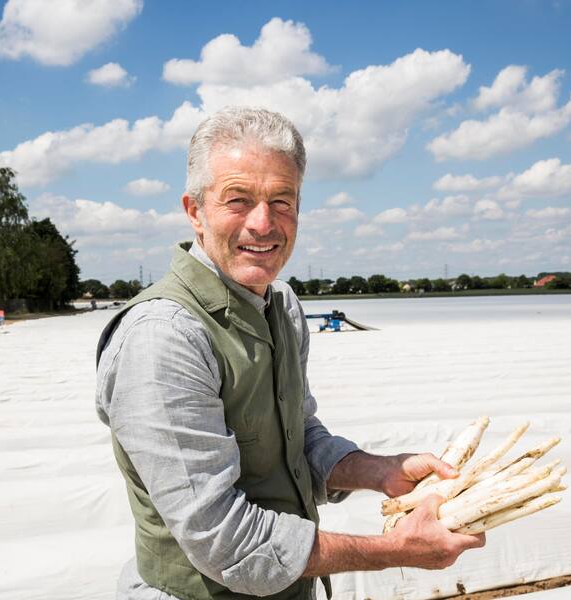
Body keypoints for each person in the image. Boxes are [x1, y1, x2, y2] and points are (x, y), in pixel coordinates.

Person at [96, 106, 484, 599]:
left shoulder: (281, 304)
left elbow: (296, 436)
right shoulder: (163, 337)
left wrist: (379, 470)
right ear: (195, 211)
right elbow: (225, 541)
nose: (263, 223)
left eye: (282, 200)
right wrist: (398, 551)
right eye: (238, 200)